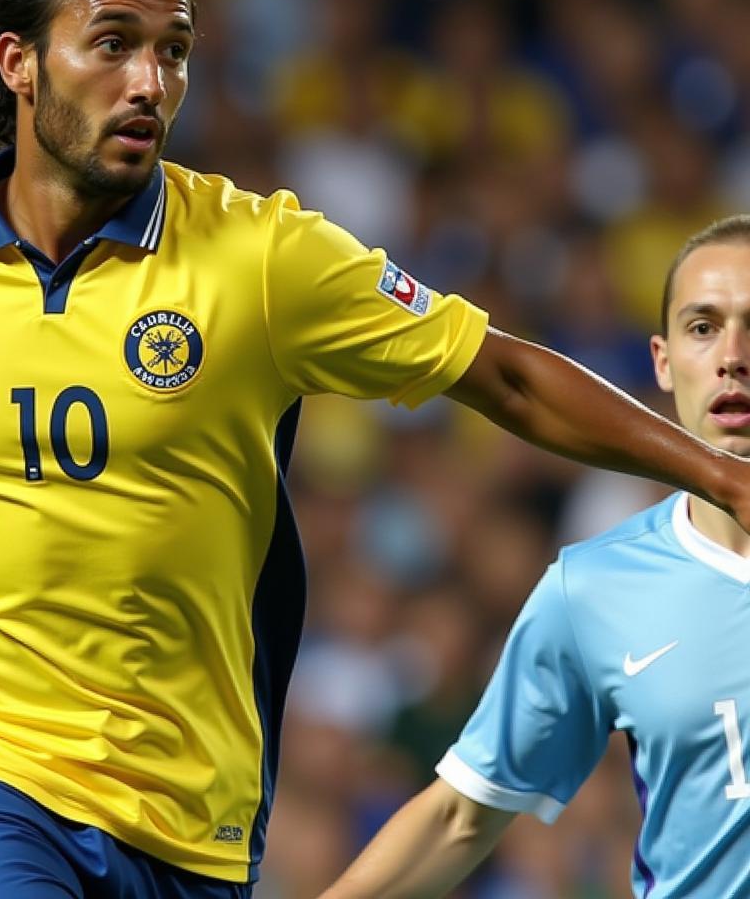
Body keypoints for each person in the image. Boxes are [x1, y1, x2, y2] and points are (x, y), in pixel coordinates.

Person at [0, 0, 749, 899]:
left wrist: (716, 473)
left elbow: (504, 374)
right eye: (113, 45)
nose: (149, 82)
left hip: (187, 816)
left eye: (172, 52)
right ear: (17, 63)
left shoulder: (262, 260)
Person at [317, 213, 750, 898]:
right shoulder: (596, 589)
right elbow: (459, 818)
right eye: (703, 327)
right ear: (663, 363)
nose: (733, 355)